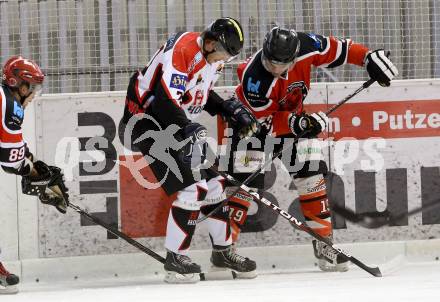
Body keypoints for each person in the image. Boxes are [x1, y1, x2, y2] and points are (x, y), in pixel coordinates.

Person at [225, 27, 398, 272]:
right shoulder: (256, 79)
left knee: (312, 177)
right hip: (248, 125)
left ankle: (324, 245)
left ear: (294, 57)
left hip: (290, 121)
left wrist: (368, 58)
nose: (274, 68)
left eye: (280, 65)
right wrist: (299, 123)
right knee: (242, 186)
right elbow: (266, 123)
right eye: (270, 62)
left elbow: (344, 49)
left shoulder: (307, 46)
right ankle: (224, 250)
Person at [122, 18, 260, 283]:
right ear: (209, 43)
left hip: (171, 122)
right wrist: (188, 127)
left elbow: (197, 94)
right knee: (193, 189)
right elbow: (164, 100)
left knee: (217, 184)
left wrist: (228, 109)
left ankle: (222, 253)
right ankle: (175, 259)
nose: (223, 60)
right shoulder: (183, 50)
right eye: (222, 53)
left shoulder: (211, 57)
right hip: (144, 122)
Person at [0, 56, 69, 294]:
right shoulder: (10, 105)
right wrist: (40, 178)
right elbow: (10, 160)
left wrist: (35, 167)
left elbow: (13, 146)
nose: (33, 94)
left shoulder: (4, 98)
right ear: (20, 85)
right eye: (32, 88)